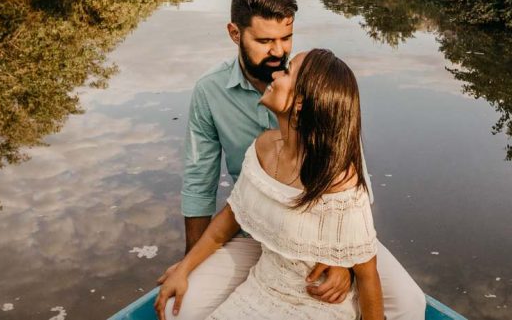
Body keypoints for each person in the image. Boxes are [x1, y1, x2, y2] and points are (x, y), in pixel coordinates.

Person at [159, 0, 426, 319]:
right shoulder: (210, 92)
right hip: (253, 230)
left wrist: (339, 258)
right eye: (265, 40)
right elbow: (199, 185)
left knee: (408, 303)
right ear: (234, 33)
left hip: (321, 237)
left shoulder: (315, 84)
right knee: (177, 307)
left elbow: (350, 180)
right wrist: (189, 263)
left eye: (286, 38)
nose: (279, 51)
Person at [156, 49, 383, 320]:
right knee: (176, 311)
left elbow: (368, 278)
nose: (275, 74)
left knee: (410, 302)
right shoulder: (263, 147)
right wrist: (184, 268)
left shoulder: (338, 179)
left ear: (300, 103)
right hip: (262, 287)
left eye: (286, 72)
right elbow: (227, 220)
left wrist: (343, 266)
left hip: (317, 303)